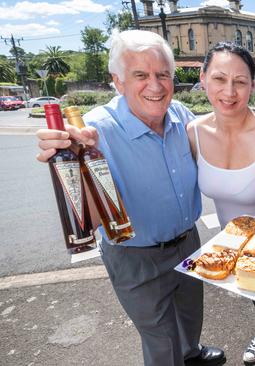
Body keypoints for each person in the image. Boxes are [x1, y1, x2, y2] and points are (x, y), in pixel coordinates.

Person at [35, 30, 225, 366]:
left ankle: (192, 354)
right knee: (160, 340)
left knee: (191, 316)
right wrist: (71, 155)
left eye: (162, 74)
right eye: (141, 75)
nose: (155, 85)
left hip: (189, 243)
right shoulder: (93, 132)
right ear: (118, 82)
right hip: (135, 257)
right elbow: (88, 222)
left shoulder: (182, 115)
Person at [187, 42, 255, 366]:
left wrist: (253, 249)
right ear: (203, 78)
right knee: (253, 296)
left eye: (241, 82)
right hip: (230, 243)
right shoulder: (193, 132)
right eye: (219, 79)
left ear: (252, 85)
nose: (229, 92)